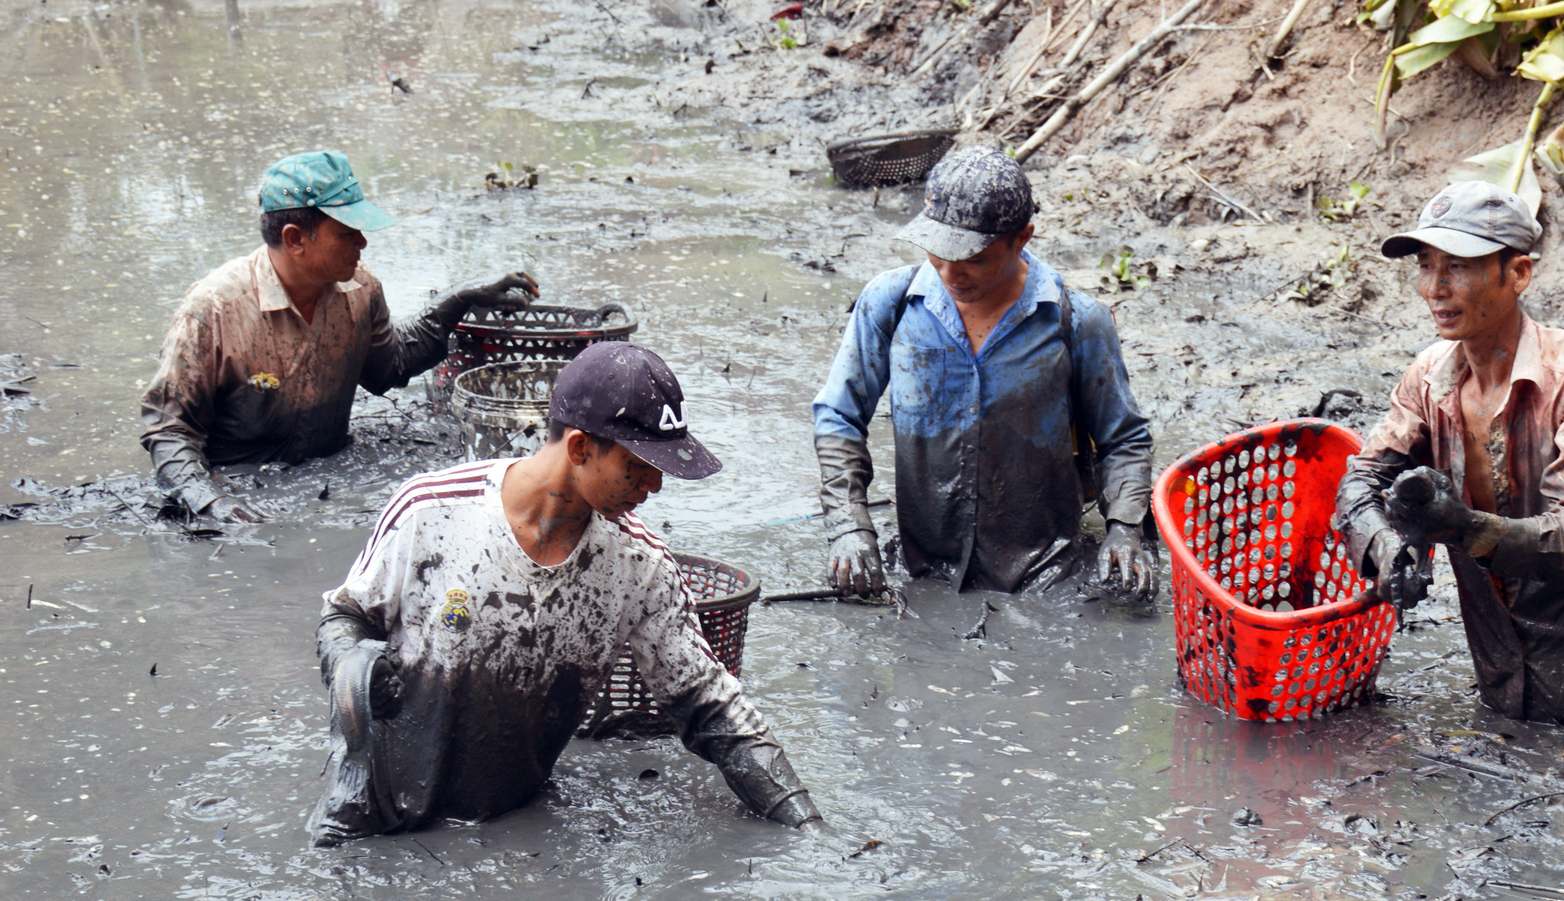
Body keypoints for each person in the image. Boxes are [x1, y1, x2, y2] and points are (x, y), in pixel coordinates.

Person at [309, 341, 822, 845]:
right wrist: (351, 665)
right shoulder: (432, 512)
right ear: (579, 448)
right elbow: (343, 616)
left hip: (509, 820)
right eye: (638, 465)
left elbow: (710, 705)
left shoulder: (638, 566)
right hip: (376, 807)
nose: (655, 486)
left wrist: (803, 820)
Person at [1337, 181, 1564, 776]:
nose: (1434, 288)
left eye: (1458, 267)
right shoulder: (1429, 377)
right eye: (1427, 267)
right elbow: (1359, 481)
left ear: (1519, 273)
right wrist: (1388, 547)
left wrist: (1461, 526)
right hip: (1507, 666)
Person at [812, 146, 1155, 596]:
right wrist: (849, 527)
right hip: (922, 567)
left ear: (1022, 238)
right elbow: (839, 415)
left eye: (973, 258)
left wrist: (1124, 528)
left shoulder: (1077, 321)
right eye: (937, 253)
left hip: (1046, 574)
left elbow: (1124, 438)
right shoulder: (889, 303)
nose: (951, 273)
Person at [140, 150, 538, 522]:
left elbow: (390, 366)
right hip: (239, 484)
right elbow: (169, 428)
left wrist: (459, 299)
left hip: (328, 479)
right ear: (295, 239)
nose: (362, 243)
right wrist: (208, 500)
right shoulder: (213, 310)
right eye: (348, 232)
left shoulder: (360, 291)